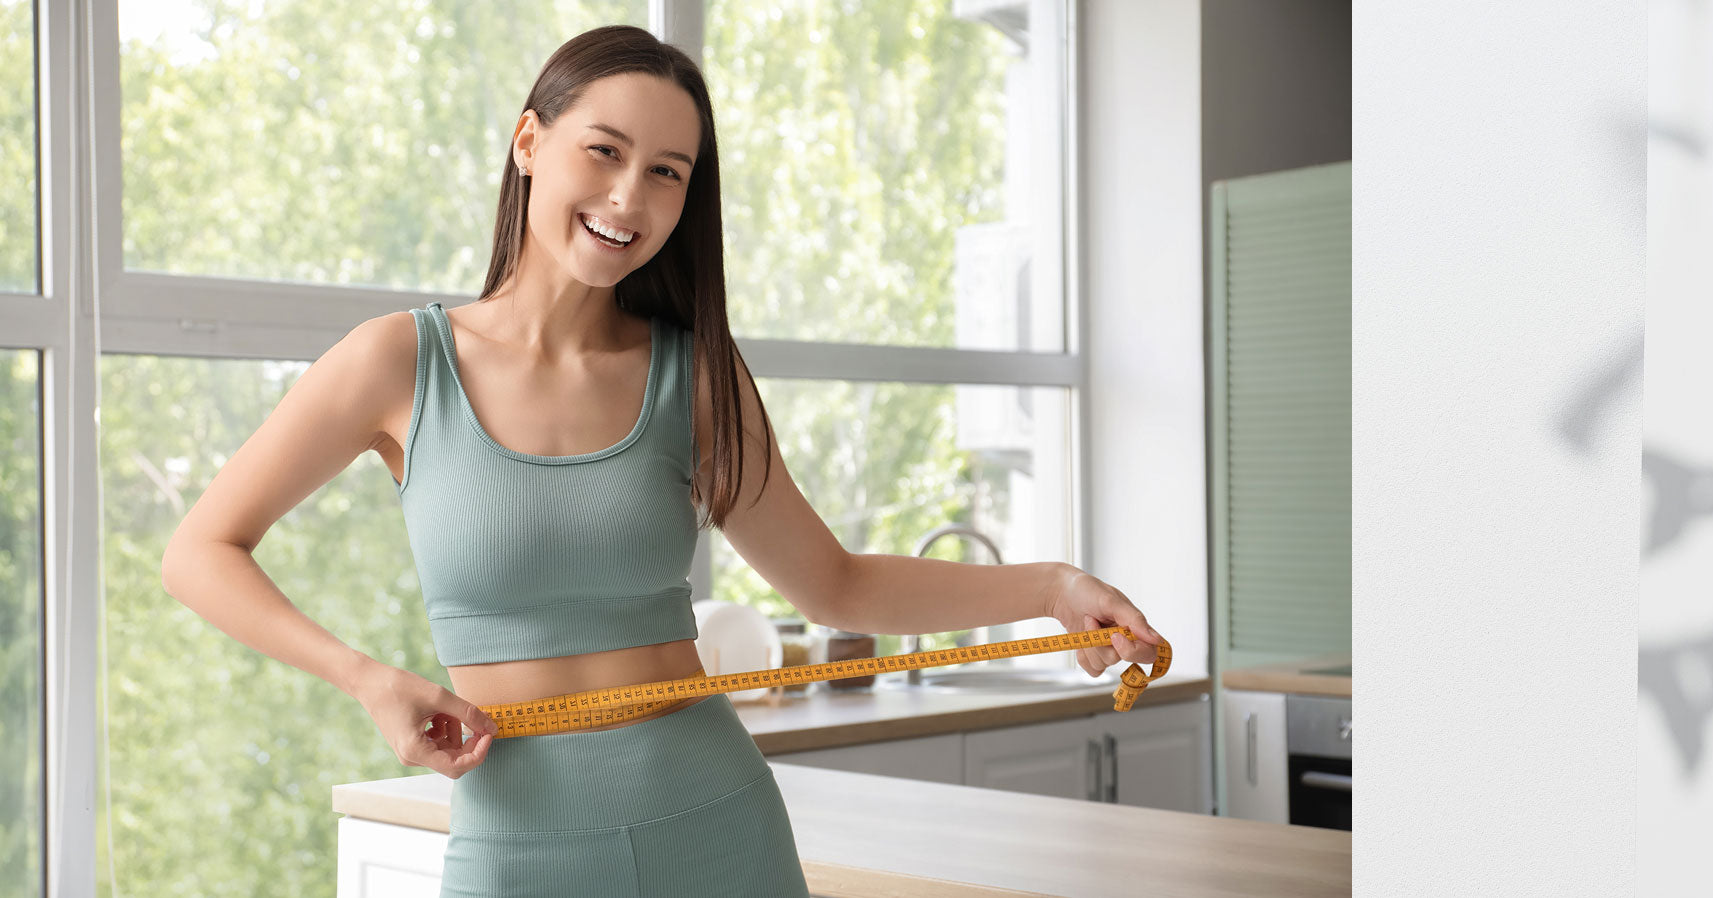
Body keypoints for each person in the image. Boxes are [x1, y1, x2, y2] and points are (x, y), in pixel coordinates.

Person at [160, 23, 1163, 897]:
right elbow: (202, 549)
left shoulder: (697, 376)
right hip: (518, 847)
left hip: (713, 828)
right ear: (527, 142)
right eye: (604, 151)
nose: (627, 195)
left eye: (667, 173)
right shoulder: (398, 361)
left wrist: (1054, 586)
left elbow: (835, 581)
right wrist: (367, 678)